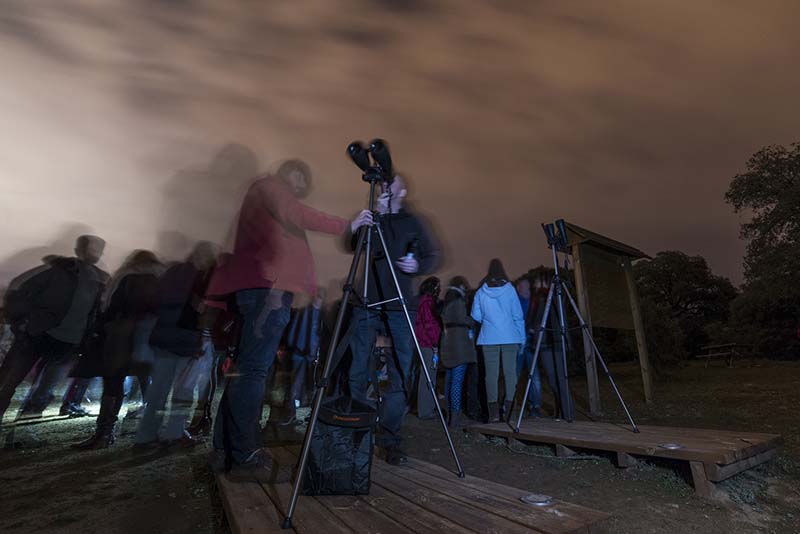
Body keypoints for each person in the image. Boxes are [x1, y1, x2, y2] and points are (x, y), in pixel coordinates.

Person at [205, 159, 371, 481]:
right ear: (284, 177)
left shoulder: (268, 201)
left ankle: (225, 450)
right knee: (253, 372)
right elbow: (297, 214)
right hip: (267, 291)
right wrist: (346, 225)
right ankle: (245, 458)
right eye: (294, 175)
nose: (297, 182)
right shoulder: (272, 189)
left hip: (261, 290)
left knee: (246, 370)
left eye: (302, 178)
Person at [348, 174, 442, 465]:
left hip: (401, 306)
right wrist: (356, 226)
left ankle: (390, 439)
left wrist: (418, 264)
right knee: (358, 368)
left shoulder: (413, 221)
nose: (386, 186)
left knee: (401, 372)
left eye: (392, 184)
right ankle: (357, 435)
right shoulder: (373, 218)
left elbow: (433, 255)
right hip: (367, 301)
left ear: (402, 191)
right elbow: (354, 246)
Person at [0, 236, 108, 425]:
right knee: (9, 381)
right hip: (36, 335)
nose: (97, 253)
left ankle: (25, 429)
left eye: (100, 249)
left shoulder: (99, 279)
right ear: (80, 249)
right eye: (93, 248)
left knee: (44, 390)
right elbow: (19, 288)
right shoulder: (58, 271)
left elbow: (95, 312)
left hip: (67, 343)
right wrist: (21, 322)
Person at [71, 250, 163, 449]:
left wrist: (101, 327)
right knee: (146, 384)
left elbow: (114, 308)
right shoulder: (157, 282)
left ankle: (105, 433)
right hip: (143, 341)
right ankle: (152, 432)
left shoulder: (128, 279)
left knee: (114, 383)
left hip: (120, 339)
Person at [133, 243, 218, 448]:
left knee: (158, 390)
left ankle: (145, 435)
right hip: (186, 340)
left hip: (163, 336)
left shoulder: (171, 272)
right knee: (184, 391)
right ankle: (174, 432)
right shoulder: (203, 278)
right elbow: (201, 309)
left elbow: (153, 302)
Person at [471, 259, 525, 423]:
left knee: (490, 376)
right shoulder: (510, 290)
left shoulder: (481, 292)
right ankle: (510, 413)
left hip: (489, 338)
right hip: (510, 337)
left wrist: (489, 320)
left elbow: (476, 315)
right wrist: (522, 338)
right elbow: (518, 316)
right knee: (510, 374)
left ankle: (493, 414)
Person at [529, 268, 573, 420]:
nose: (533, 284)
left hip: (554, 341)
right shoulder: (539, 297)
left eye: (536, 280)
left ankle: (567, 413)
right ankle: (561, 411)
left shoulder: (552, 296)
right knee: (553, 380)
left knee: (560, 379)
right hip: (546, 344)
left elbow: (543, 317)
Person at [279, 288, 325, 425]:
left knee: (308, 386)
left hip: (308, 355)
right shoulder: (307, 312)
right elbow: (299, 331)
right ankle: (291, 413)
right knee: (295, 385)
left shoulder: (320, 314)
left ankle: (305, 413)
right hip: (301, 354)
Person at [439, 276, 476, 428]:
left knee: (449, 379)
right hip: (459, 346)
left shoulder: (445, 300)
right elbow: (462, 319)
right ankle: (455, 417)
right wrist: (472, 321)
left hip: (447, 343)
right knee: (457, 381)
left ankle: (450, 414)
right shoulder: (458, 301)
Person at [414, 276, 441, 420]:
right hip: (427, 344)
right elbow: (430, 325)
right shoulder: (428, 303)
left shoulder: (421, 301)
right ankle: (426, 410)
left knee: (426, 377)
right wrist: (436, 343)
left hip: (422, 343)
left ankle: (426, 407)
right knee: (429, 378)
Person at [515, 277, 542, 417]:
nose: (522, 289)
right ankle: (509, 403)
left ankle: (535, 405)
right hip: (519, 342)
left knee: (534, 374)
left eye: (524, 286)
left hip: (531, 342)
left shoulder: (535, 301)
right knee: (515, 373)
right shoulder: (515, 301)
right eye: (520, 286)